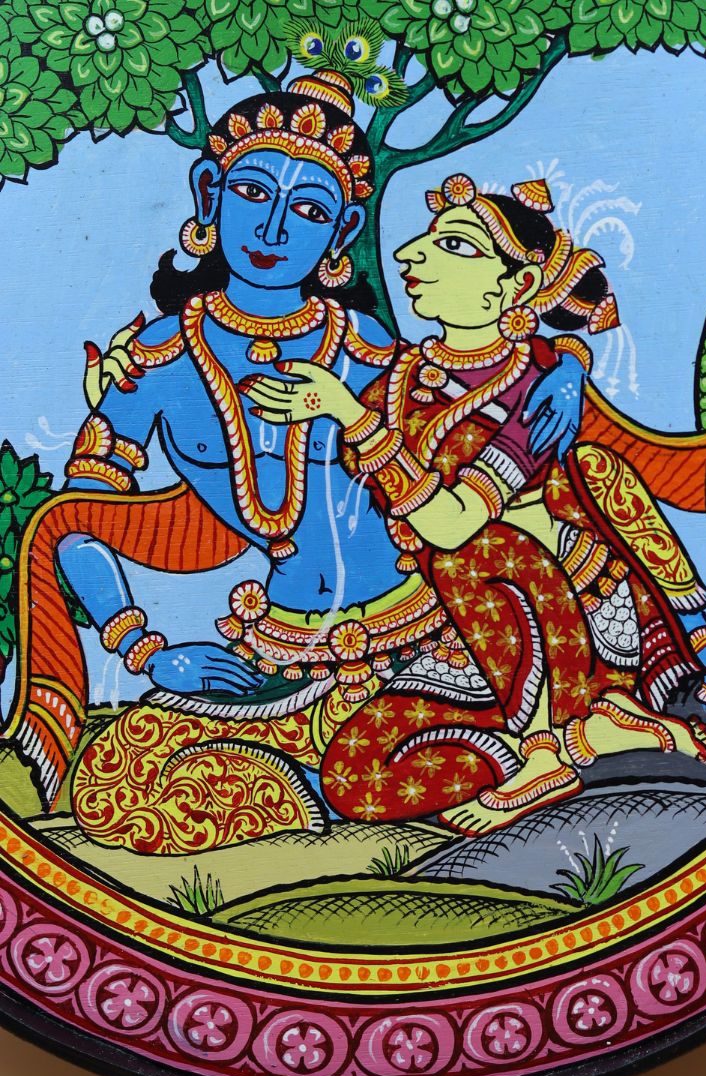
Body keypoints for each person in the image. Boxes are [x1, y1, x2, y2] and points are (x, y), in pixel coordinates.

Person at [0, 74, 587, 853]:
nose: (274, 228)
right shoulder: (154, 363)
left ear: (342, 231)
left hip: (424, 634)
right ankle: (320, 784)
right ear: (209, 194)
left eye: (309, 210)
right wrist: (146, 649)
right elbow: (79, 523)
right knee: (117, 786)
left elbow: (492, 371)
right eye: (252, 193)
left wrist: (568, 364)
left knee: (349, 772)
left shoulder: (371, 350)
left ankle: (455, 763)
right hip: (274, 649)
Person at [240, 174, 706, 835]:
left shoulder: (535, 388)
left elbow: (452, 525)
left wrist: (353, 418)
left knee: (487, 540)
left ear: (516, 286)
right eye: (428, 240)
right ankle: (592, 735)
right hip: (465, 635)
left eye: (455, 246)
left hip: (557, 619)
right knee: (354, 777)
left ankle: (553, 748)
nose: (412, 254)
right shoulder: (401, 379)